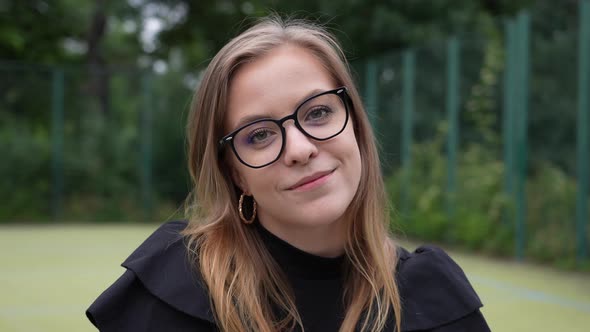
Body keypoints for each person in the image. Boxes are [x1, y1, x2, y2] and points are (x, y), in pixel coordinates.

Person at [86, 16, 490, 332]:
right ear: (235, 174)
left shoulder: (432, 299)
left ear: (355, 125)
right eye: (259, 135)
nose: (299, 149)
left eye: (318, 112)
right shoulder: (180, 288)